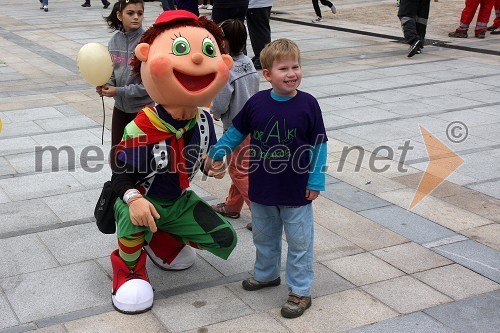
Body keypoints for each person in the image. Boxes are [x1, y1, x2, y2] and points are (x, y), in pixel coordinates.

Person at [109, 10, 237, 314]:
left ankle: (159, 238)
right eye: (181, 49)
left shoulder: (203, 121)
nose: (196, 60)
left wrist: (212, 166)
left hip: (177, 200)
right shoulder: (142, 126)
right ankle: (128, 269)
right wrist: (133, 198)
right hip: (143, 197)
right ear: (147, 58)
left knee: (224, 239)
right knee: (133, 215)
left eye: (208, 51)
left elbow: (205, 160)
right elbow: (119, 174)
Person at [205, 38, 328, 319]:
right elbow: (237, 132)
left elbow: (320, 144)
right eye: (283, 68)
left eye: (295, 66)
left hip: (296, 190)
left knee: (299, 242)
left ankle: (300, 290)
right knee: (264, 237)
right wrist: (218, 150)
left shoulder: (308, 104)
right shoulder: (257, 103)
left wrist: (316, 180)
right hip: (262, 188)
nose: (292, 73)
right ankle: (266, 274)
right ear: (267, 75)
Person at [210, 19, 259, 230]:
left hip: (236, 128)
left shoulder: (227, 69)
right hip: (253, 123)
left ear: (226, 41)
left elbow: (221, 100)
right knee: (241, 167)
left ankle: (261, 215)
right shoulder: (247, 61)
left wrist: (216, 113)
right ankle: (232, 206)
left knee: (239, 172)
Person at [98, 0, 153, 149]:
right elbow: (111, 70)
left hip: (142, 109)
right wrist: (107, 84)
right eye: (130, 13)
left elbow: (150, 86)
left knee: (138, 155)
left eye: (140, 13)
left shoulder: (148, 42)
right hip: (120, 107)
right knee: (117, 152)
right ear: (119, 15)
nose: (136, 17)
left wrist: (119, 91)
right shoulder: (114, 41)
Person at [246, 0, 274, 70]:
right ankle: (259, 55)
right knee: (255, 30)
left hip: (258, 4)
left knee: (259, 30)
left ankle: (263, 57)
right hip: (257, 4)